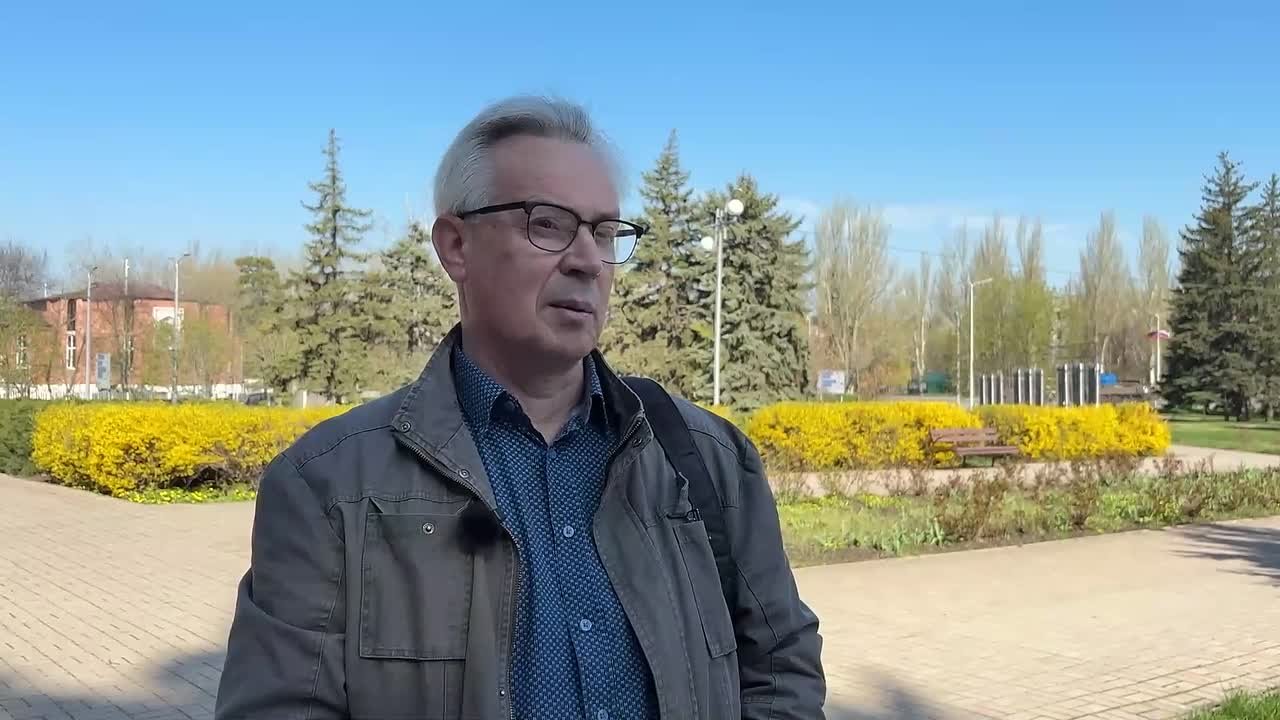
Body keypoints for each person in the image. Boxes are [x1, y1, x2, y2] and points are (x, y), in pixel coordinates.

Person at [215, 95, 826, 719]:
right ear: (456, 245)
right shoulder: (327, 486)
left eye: (605, 232)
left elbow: (782, 669)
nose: (588, 261)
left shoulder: (706, 459)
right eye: (549, 224)